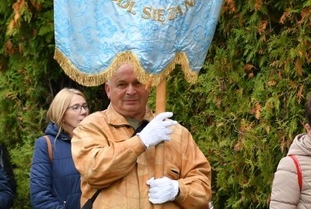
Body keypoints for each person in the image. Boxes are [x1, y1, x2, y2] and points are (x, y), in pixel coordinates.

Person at [71, 63, 211, 208]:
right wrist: (141, 141)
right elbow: (94, 171)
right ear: (108, 89)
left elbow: (203, 188)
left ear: (148, 86)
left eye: (138, 83)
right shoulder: (91, 127)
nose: (131, 91)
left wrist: (178, 190)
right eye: (122, 85)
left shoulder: (176, 132)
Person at [30, 88, 89, 209]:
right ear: (61, 114)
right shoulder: (46, 145)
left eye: (85, 106)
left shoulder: (96, 141)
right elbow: (40, 197)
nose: (83, 111)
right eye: (76, 107)